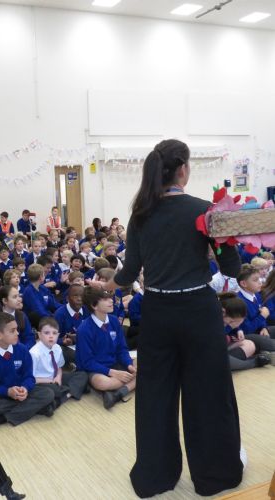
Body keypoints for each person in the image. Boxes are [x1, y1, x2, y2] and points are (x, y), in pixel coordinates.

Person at [95, 139, 243, 497]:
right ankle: (215, 476)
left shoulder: (141, 214)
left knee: (155, 396)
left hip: (157, 313)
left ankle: (155, 476)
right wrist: (231, 237)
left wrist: (108, 285)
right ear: (183, 170)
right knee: (208, 393)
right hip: (199, 312)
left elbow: (128, 272)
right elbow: (232, 269)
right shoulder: (206, 211)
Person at [0, 312, 55, 430]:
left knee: (48, 393)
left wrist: (25, 388)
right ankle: (36, 408)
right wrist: (7, 391)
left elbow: (29, 377)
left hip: (22, 393)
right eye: (12, 331)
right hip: (1, 395)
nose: (17, 333)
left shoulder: (22, 350)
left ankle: (1, 418)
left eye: (17, 329)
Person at [30, 317, 88, 407]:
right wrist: (50, 381)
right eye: (46, 333)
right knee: (51, 391)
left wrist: (58, 377)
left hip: (54, 377)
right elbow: (31, 379)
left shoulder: (57, 348)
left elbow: (59, 367)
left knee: (82, 375)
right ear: (39, 335)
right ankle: (71, 391)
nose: (51, 336)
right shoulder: (34, 353)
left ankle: (65, 395)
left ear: (58, 335)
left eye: (54, 333)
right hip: (41, 382)